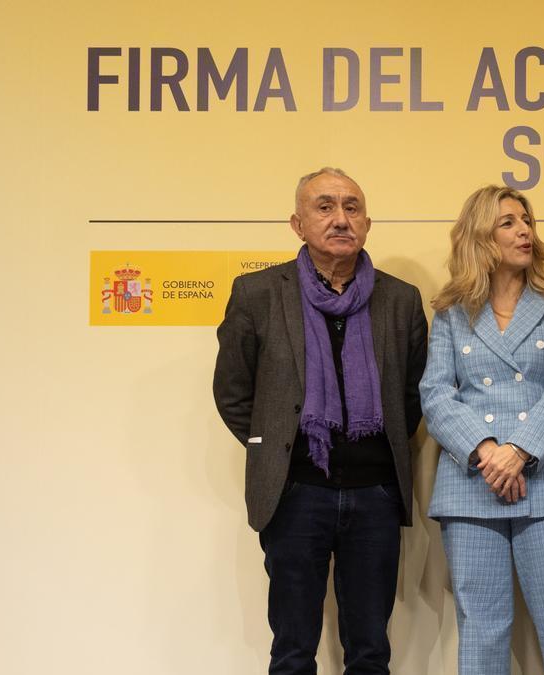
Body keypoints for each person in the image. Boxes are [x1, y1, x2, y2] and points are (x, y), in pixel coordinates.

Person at [213, 167, 427, 674]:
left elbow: (414, 396)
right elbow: (234, 392)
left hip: (374, 496)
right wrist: (279, 448)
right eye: (325, 207)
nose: (340, 219)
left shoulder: (400, 300)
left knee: (371, 650)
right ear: (297, 223)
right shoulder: (258, 294)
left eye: (352, 208)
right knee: (292, 651)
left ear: (368, 223)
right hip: (294, 495)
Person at [421, 185, 544, 674]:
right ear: (481, 237)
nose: (524, 230)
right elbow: (435, 394)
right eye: (508, 222)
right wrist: (486, 450)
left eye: (527, 221)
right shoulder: (450, 314)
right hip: (471, 485)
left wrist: (518, 450)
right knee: (480, 632)